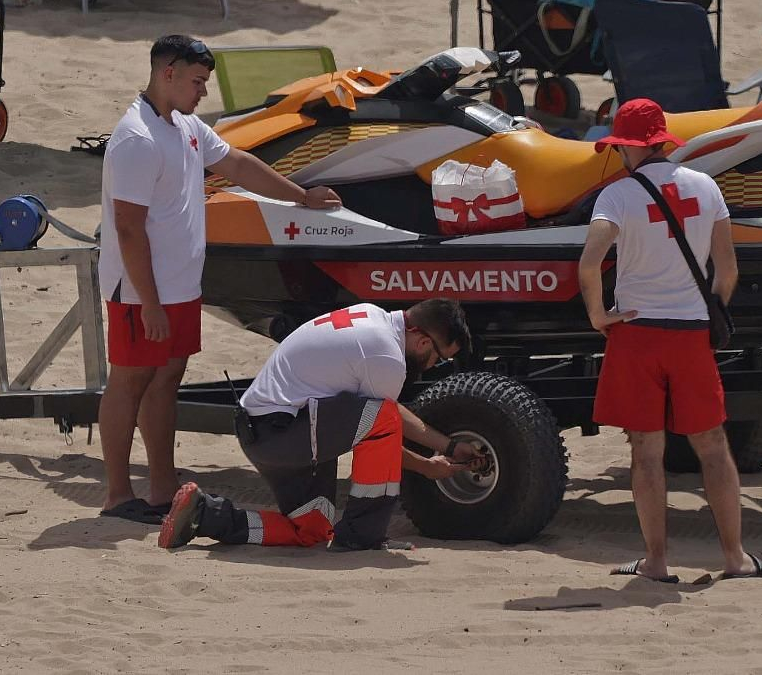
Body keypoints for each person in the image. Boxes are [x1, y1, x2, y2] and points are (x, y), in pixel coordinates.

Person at [98, 34, 342, 523]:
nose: (203, 92)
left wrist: (301, 197)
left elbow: (236, 163)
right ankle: (118, 495)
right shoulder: (136, 138)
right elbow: (127, 229)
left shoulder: (185, 126)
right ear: (168, 73)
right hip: (141, 290)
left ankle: (161, 487)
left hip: (181, 284)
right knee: (129, 381)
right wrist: (148, 303)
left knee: (167, 378)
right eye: (196, 81)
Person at [577, 98, 762, 583]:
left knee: (646, 450)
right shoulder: (705, 187)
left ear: (625, 147)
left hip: (637, 333)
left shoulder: (616, 196)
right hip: (689, 333)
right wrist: (710, 311)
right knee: (712, 446)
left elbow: (588, 264)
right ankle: (734, 558)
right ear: (662, 140)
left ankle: (657, 561)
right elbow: (727, 271)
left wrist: (600, 316)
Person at [157, 300, 480, 551]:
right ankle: (362, 536)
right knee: (383, 418)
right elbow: (383, 426)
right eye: (440, 358)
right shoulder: (388, 357)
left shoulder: (372, 316)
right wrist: (427, 467)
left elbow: (383, 415)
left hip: (264, 431)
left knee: (310, 531)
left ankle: (206, 514)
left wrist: (448, 447)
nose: (435, 365)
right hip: (283, 433)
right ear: (423, 342)